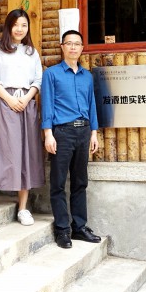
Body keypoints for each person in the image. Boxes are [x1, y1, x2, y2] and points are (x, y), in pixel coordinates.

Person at [0, 9, 44, 228]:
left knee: (26, 153)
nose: (20, 29)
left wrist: (26, 98)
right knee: (0, 147)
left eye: (24, 25)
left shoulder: (31, 52)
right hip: (3, 101)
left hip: (26, 103)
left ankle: (23, 208)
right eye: (16, 25)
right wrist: (9, 99)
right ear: (8, 26)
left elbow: (38, 80)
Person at [41, 30, 101, 249]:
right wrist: (48, 134)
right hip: (62, 133)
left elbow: (92, 105)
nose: (73, 47)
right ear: (62, 47)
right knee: (58, 182)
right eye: (69, 43)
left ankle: (79, 227)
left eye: (77, 44)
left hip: (83, 132)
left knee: (80, 182)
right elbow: (47, 105)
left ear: (82, 48)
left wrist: (94, 133)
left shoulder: (87, 76)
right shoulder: (51, 74)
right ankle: (62, 230)